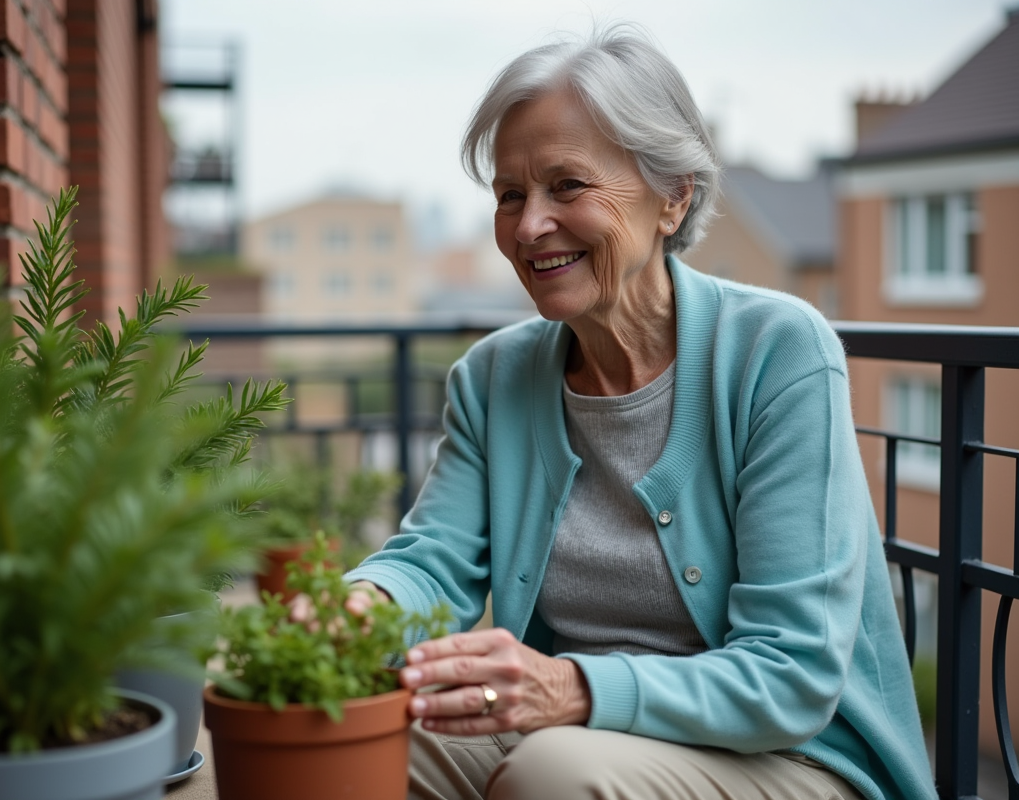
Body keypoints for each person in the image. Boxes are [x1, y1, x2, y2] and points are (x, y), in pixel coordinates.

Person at [342, 24, 935, 800]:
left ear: (673, 195)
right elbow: (434, 561)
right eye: (511, 195)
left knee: (552, 775)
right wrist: (359, 607)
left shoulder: (778, 352)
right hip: (572, 731)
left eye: (568, 186)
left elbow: (791, 673)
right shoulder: (493, 376)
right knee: (340, 730)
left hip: (795, 753)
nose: (528, 227)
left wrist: (572, 689)